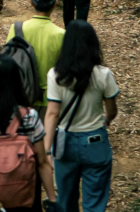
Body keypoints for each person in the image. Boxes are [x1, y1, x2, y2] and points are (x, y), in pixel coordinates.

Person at [44, 21, 119, 212]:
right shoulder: (103, 74)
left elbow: (52, 113)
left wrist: (46, 150)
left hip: (65, 142)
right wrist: (106, 119)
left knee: (66, 199)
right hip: (95, 141)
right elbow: (112, 110)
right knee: (94, 202)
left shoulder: (56, 75)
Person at [0, 54, 57, 211]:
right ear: (16, 81)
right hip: (27, 196)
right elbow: (42, 161)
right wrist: (52, 199)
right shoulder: (29, 117)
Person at [5, 0, 65, 113]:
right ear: (55, 3)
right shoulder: (62, 35)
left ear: (31, 2)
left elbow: (7, 64)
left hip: (22, 99)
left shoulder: (17, 29)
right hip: (51, 102)